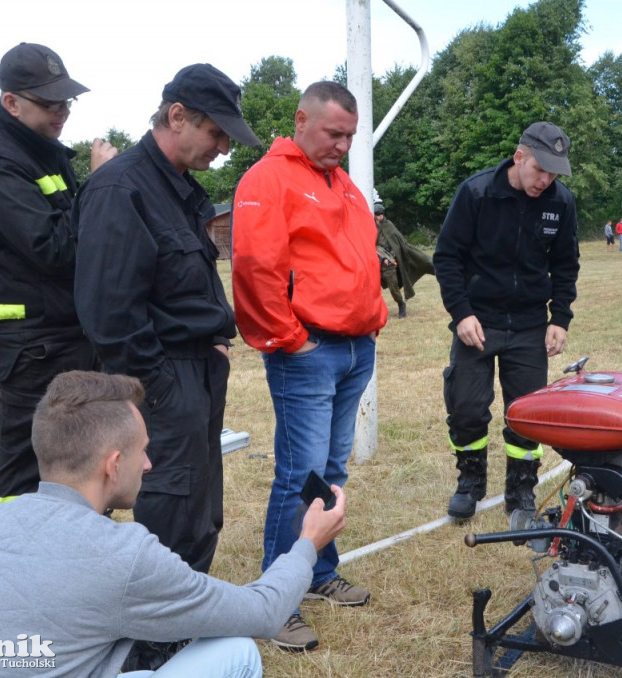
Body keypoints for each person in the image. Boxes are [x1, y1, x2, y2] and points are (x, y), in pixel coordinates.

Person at [0, 371, 348, 677]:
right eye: (142, 450)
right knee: (236, 653)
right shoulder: (124, 555)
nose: (149, 463)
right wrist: (308, 542)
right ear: (113, 464)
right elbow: (265, 612)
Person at [73, 63, 259, 669]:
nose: (226, 147)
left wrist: (213, 347)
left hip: (197, 371)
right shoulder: (120, 188)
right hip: (161, 381)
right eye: (218, 132)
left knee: (200, 511)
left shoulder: (180, 187)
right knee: (169, 508)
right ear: (176, 116)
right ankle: (142, 650)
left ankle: (178, 629)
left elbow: (183, 288)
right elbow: (109, 313)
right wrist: (159, 389)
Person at [232, 81, 388, 651]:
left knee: (331, 468)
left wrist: (370, 322)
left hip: (353, 347)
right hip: (308, 351)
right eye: (334, 133)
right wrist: (289, 340)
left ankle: (318, 572)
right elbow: (255, 268)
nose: (344, 145)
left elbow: (359, 260)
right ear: (301, 120)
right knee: (299, 473)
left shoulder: (342, 184)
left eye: (350, 135)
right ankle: (276, 601)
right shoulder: (268, 179)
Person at [0, 43, 116, 504]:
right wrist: (99, 184)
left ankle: (77, 557)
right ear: (11, 102)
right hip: (28, 345)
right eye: (49, 103)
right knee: (27, 471)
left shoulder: (41, 149)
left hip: (62, 333)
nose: (62, 111)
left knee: (80, 460)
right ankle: (15, 565)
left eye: (66, 101)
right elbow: (55, 249)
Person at [433, 121, 580, 521]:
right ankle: (470, 481)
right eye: (540, 169)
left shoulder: (561, 203)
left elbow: (566, 265)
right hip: (478, 321)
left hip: (530, 325)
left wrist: (560, 317)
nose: (546, 179)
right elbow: (446, 257)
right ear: (519, 157)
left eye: (554, 172)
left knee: (527, 414)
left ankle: (520, 490)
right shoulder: (477, 192)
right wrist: (461, 313)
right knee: (466, 407)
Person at [374, 201, 435, 318]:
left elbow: (398, 244)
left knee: (393, 287)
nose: (380, 215)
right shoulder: (370, 226)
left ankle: (401, 304)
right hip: (374, 262)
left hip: (388, 262)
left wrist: (389, 257)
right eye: (377, 213)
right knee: (370, 288)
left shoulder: (389, 225)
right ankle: (374, 310)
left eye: (382, 213)